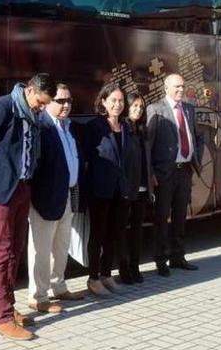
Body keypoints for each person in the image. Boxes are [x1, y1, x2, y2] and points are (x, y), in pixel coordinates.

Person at [0, 73, 56, 341]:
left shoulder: (32, 113)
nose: (41, 108)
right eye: (40, 102)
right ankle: (2, 317)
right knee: (1, 252)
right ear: (29, 90)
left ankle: (9, 306)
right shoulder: (1, 108)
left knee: (15, 250)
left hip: (21, 187)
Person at [27, 83, 84, 313]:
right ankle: (37, 296)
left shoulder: (67, 127)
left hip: (67, 195)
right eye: (60, 101)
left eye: (69, 100)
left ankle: (58, 287)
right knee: (41, 249)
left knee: (61, 246)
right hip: (46, 198)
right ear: (48, 101)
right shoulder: (41, 127)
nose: (66, 105)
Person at [146, 73, 204, 276]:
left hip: (184, 171)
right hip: (164, 174)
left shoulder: (188, 108)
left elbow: (198, 136)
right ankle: (160, 260)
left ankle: (178, 257)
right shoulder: (155, 109)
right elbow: (148, 145)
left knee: (180, 216)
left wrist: (195, 159)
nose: (181, 90)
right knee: (162, 218)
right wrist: (151, 172)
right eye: (176, 87)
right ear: (166, 87)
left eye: (182, 86)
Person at [83, 82, 131, 296]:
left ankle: (106, 274)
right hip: (100, 190)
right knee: (98, 235)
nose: (118, 105)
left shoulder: (126, 126)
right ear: (103, 102)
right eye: (113, 100)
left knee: (114, 234)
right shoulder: (94, 127)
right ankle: (93, 278)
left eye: (121, 101)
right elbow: (86, 159)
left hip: (120, 190)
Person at [120, 91, 151, 284]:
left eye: (141, 107)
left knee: (137, 230)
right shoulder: (122, 129)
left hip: (141, 187)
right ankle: (124, 269)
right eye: (134, 106)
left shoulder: (143, 130)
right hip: (126, 188)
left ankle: (135, 265)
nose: (138, 110)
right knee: (122, 230)